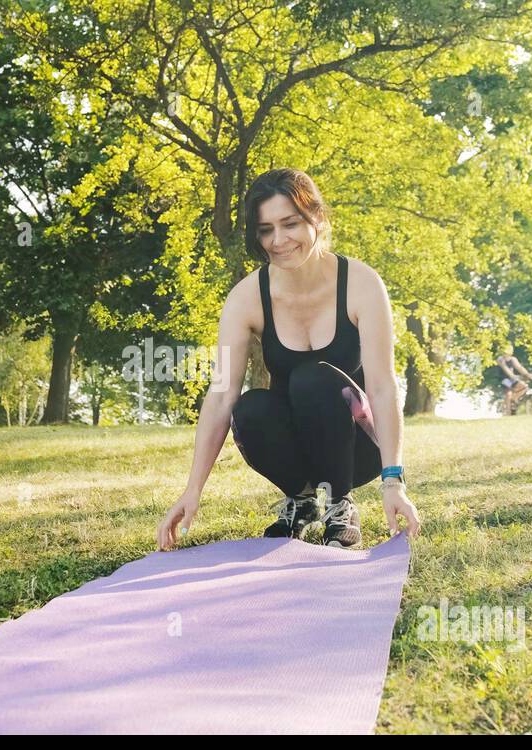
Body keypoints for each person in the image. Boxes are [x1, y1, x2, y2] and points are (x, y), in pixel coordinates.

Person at [156, 168, 421, 552]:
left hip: (356, 447)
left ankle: (339, 504)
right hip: (294, 448)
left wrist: (393, 480)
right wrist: (192, 490)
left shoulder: (361, 283)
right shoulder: (246, 297)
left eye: (290, 223)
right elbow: (220, 396)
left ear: (318, 219)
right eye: (265, 230)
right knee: (249, 407)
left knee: (311, 378)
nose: (278, 240)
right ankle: (301, 501)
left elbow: (382, 386)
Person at [497, 349, 532, 415]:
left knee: (524, 386)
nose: (506, 356)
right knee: (508, 394)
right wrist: (517, 377)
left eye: (507, 354)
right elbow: (506, 369)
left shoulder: (513, 359)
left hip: (512, 378)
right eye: (505, 354)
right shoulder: (500, 359)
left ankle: (514, 399)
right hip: (504, 379)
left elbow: (519, 367)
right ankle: (508, 412)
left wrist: (527, 374)